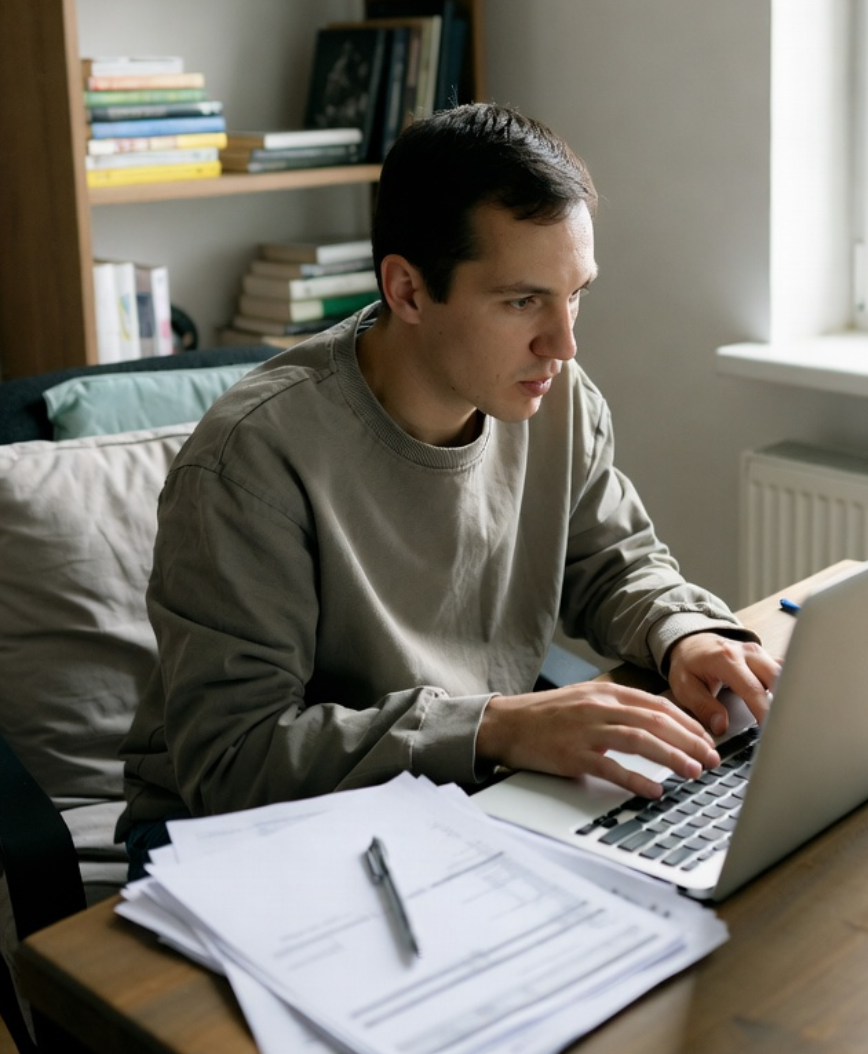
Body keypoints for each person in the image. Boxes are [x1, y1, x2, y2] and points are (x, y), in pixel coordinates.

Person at [117, 103, 780, 877]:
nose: (563, 344)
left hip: (449, 796)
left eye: (577, 294)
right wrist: (494, 728)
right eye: (522, 301)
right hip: (237, 842)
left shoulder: (554, 396)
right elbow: (235, 761)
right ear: (406, 290)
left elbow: (612, 562)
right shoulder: (249, 462)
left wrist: (685, 632)